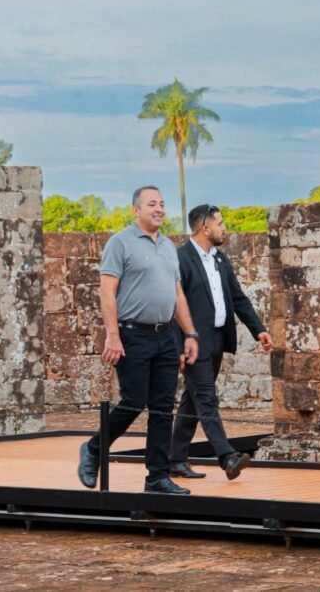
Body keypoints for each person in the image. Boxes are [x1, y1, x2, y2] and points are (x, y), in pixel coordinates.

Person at [77, 185, 199, 495]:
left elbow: (176, 294)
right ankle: (94, 448)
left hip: (166, 335)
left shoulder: (168, 246)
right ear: (136, 210)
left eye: (162, 204)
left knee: (162, 408)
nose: (159, 209)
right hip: (133, 334)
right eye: (151, 204)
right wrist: (113, 335)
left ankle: (157, 477)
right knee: (133, 402)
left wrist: (189, 333)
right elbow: (107, 292)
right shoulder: (120, 243)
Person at [168, 204, 273, 482]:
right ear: (205, 228)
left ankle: (175, 459)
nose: (224, 228)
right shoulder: (181, 259)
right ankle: (227, 456)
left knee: (193, 400)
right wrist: (179, 346)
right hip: (193, 342)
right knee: (205, 398)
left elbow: (237, 298)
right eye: (220, 223)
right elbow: (172, 307)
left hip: (216, 339)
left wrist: (258, 330)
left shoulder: (220, 259)